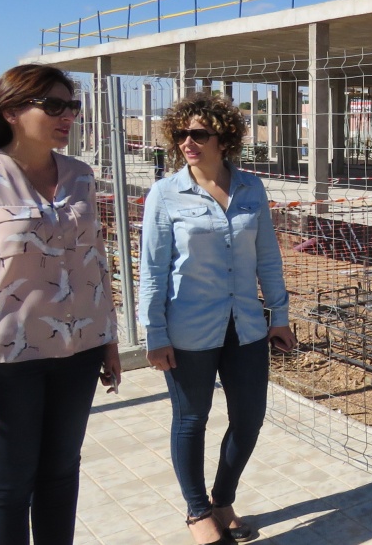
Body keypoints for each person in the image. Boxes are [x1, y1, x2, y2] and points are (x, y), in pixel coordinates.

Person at [0, 64, 121, 545]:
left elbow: (95, 262)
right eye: (53, 106)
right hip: (7, 361)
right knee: (7, 486)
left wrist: (109, 338)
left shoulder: (80, 175)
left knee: (61, 476)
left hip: (78, 354)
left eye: (71, 106)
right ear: (13, 110)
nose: (67, 116)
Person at [138, 91, 295, 545]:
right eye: (182, 133)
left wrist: (279, 315)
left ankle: (223, 499)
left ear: (223, 139)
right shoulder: (166, 194)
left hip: (245, 323)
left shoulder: (250, 187)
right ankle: (196, 512)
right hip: (187, 328)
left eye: (199, 134)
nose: (189, 141)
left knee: (249, 417)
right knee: (192, 419)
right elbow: (152, 268)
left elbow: (268, 255)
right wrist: (155, 332)